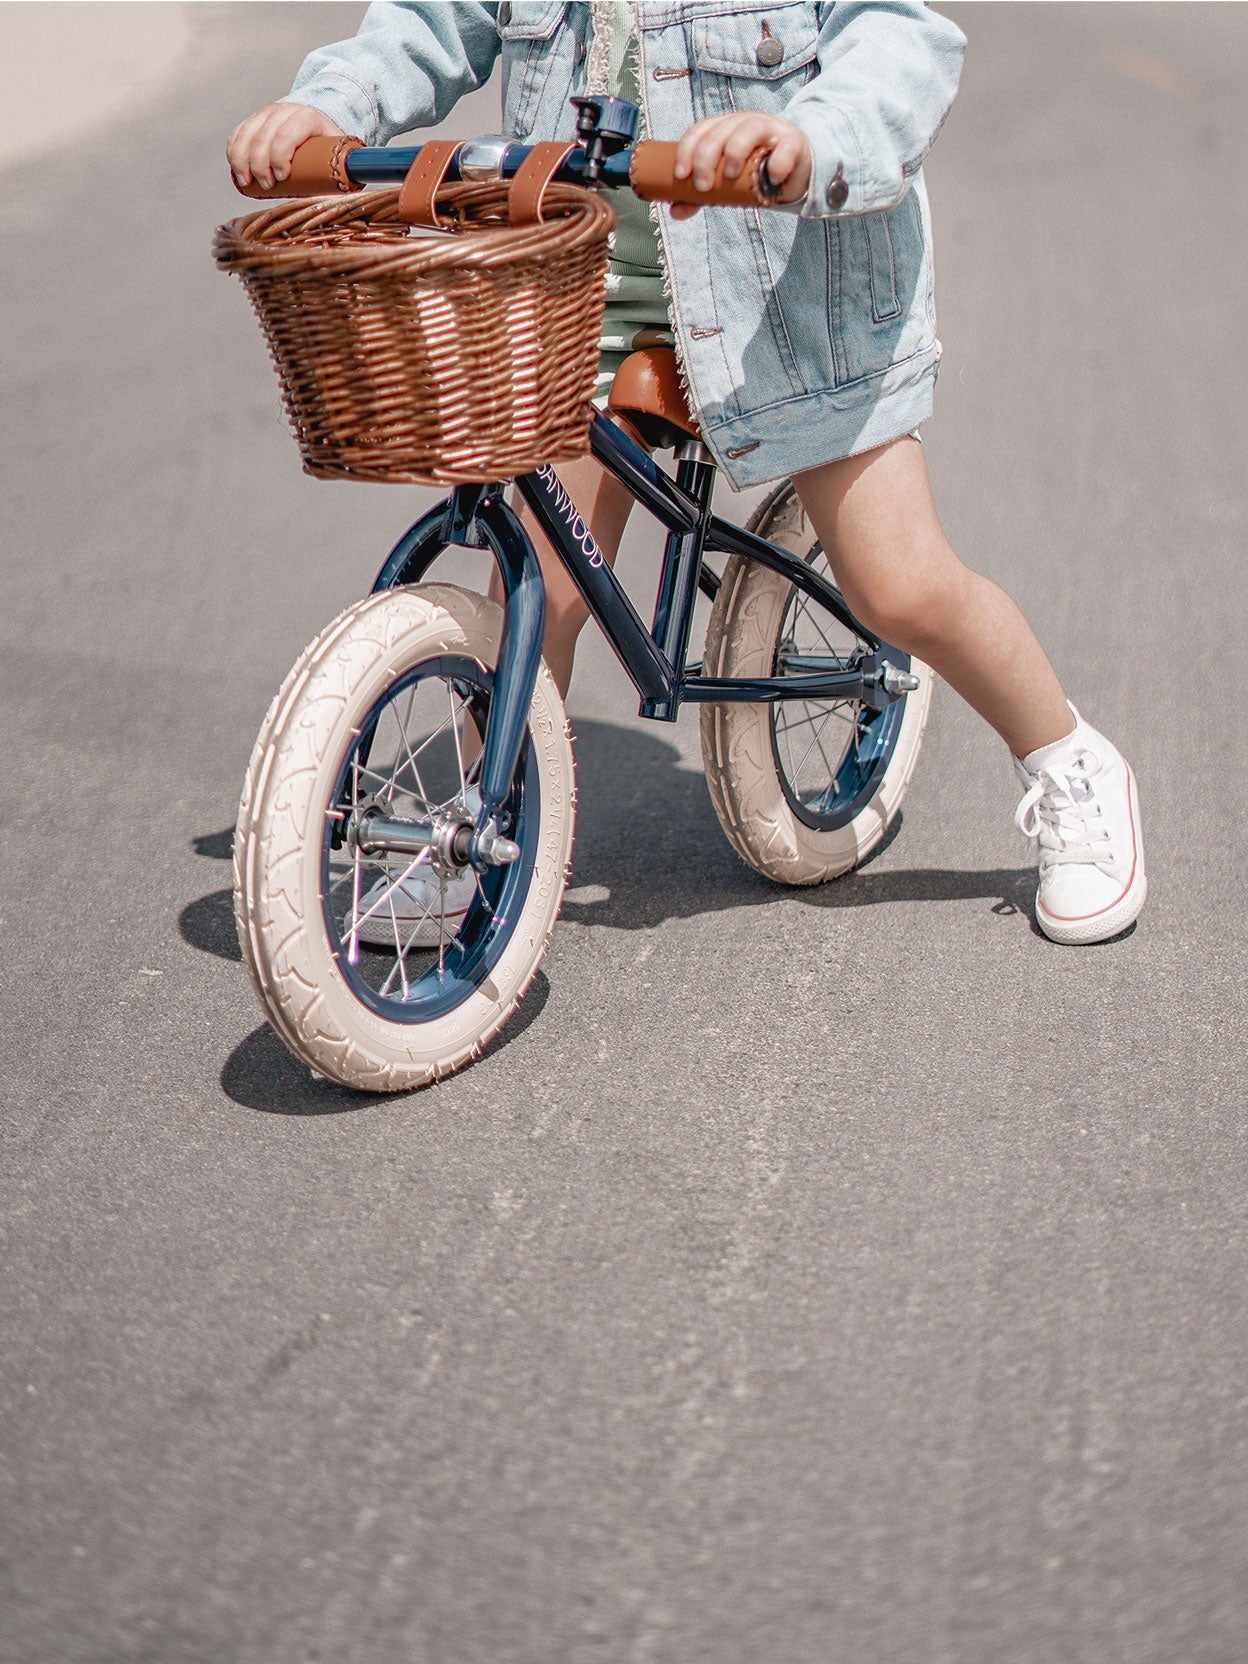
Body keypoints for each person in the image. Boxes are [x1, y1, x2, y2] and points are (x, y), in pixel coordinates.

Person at [227, 1, 1146, 948]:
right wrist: (327, 106)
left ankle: (1069, 760)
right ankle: (476, 822)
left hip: (787, 310)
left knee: (899, 586)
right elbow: (427, 24)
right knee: (536, 589)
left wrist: (809, 135)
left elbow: (900, 42)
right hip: (574, 289)